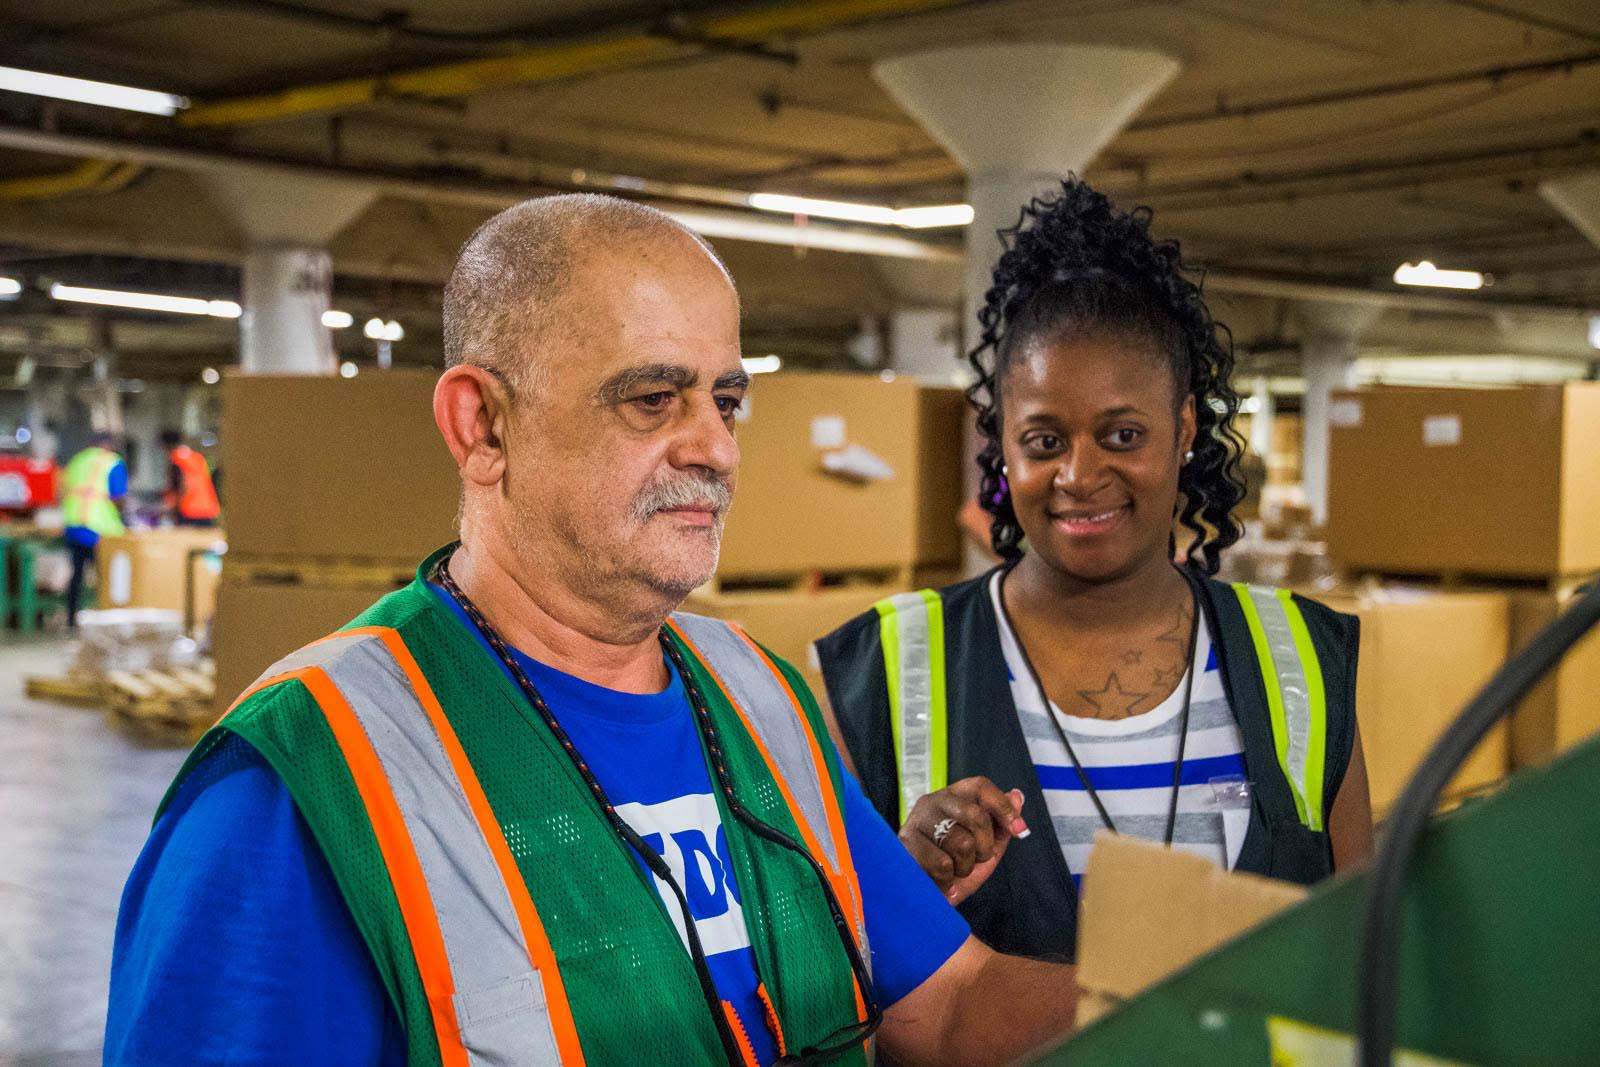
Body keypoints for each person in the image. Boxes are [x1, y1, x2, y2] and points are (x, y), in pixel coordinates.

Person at [105, 194, 1078, 1066]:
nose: (715, 447)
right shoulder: (302, 785)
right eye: (653, 398)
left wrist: (1214, 1000)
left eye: (725, 400)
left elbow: (948, 1002)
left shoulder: (758, 695)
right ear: (483, 424)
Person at [815, 178, 1373, 963]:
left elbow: (1367, 959)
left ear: (1182, 428)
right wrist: (901, 880)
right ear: (1003, 445)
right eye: (1044, 441)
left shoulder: (1302, 656)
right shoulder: (875, 671)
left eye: (1121, 434)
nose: (1079, 474)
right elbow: (824, 969)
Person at [60, 430, 126, 628]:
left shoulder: (77, 461)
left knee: (77, 575)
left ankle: (72, 619)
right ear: (109, 444)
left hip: (73, 525)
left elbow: (63, 491)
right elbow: (118, 497)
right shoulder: (112, 461)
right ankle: (104, 619)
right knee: (106, 576)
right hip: (98, 528)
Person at [160, 428, 220, 526]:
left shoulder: (176, 460)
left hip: (189, 510)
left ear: (165, 445)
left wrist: (174, 508)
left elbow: (183, 485)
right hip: (208, 509)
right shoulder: (198, 457)